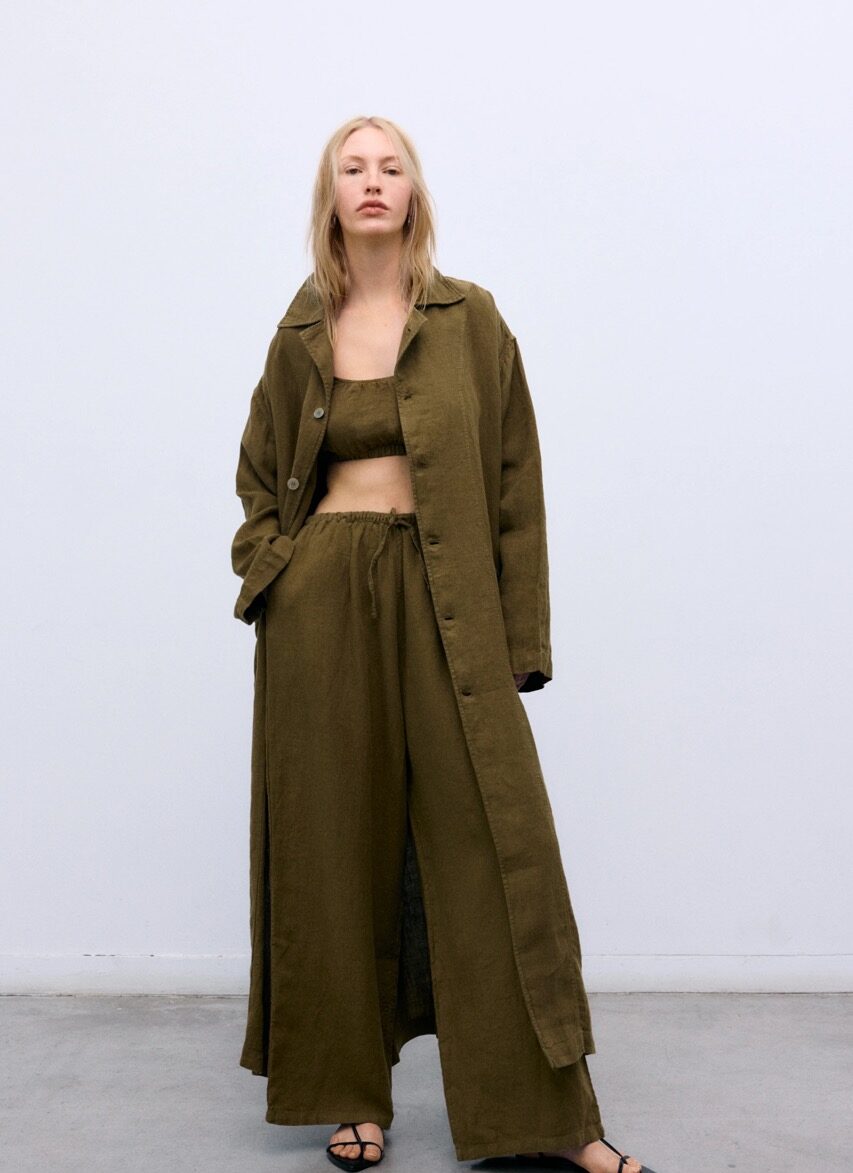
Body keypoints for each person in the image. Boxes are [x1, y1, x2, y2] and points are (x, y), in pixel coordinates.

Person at [231, 115, 655, 1173]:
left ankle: (552, 1119)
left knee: (491, 846)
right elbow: (258, 475)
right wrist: (276, 573)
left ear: (414, 192)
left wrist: (522, 637)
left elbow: (515, 480)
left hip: (448, 597)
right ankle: (349, 1096)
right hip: (323, 606)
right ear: (331, 196)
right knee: (331, 845)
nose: (372, 181)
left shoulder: (471, 319)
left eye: (392, 166)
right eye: (352, 168)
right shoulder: (299, 330)